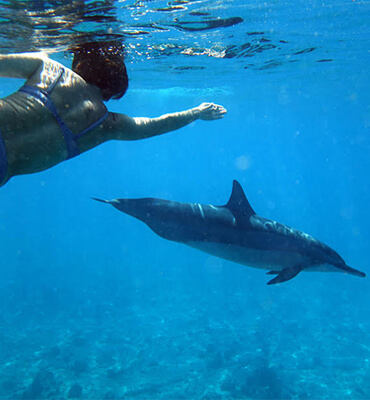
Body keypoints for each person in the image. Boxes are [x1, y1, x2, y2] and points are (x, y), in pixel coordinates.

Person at [0, 42, 226, 187]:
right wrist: (195, 112)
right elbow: (156, 125)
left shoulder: (49, 69)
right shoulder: (107, 125)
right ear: (113, 89)